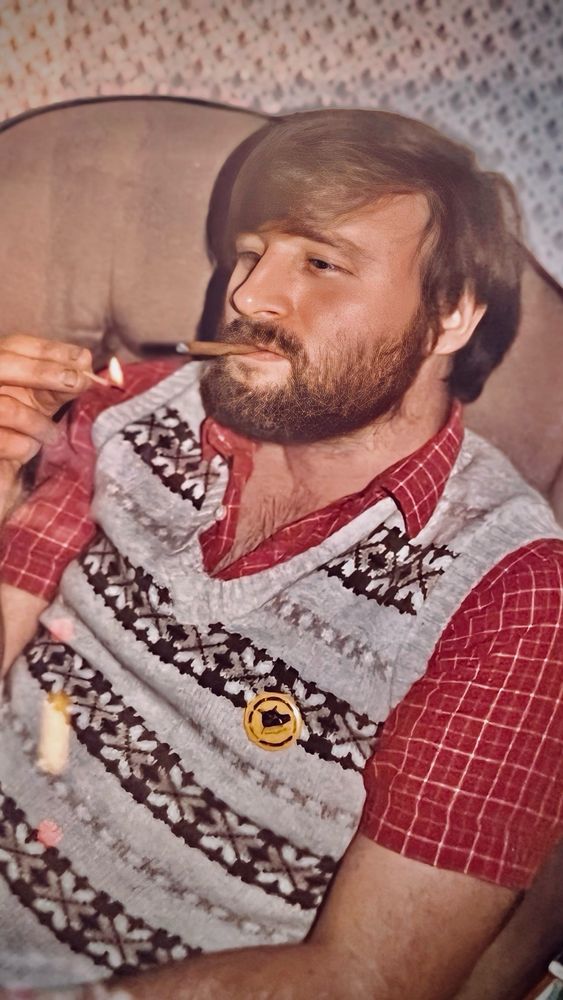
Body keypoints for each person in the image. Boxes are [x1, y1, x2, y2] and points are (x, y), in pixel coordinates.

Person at [0, 109, 561, 1000]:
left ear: (450, 315)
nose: (249, 295)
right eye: (250, 251)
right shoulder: (131, 407)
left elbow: (369, 977)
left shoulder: (516, 590)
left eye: (319, 262)